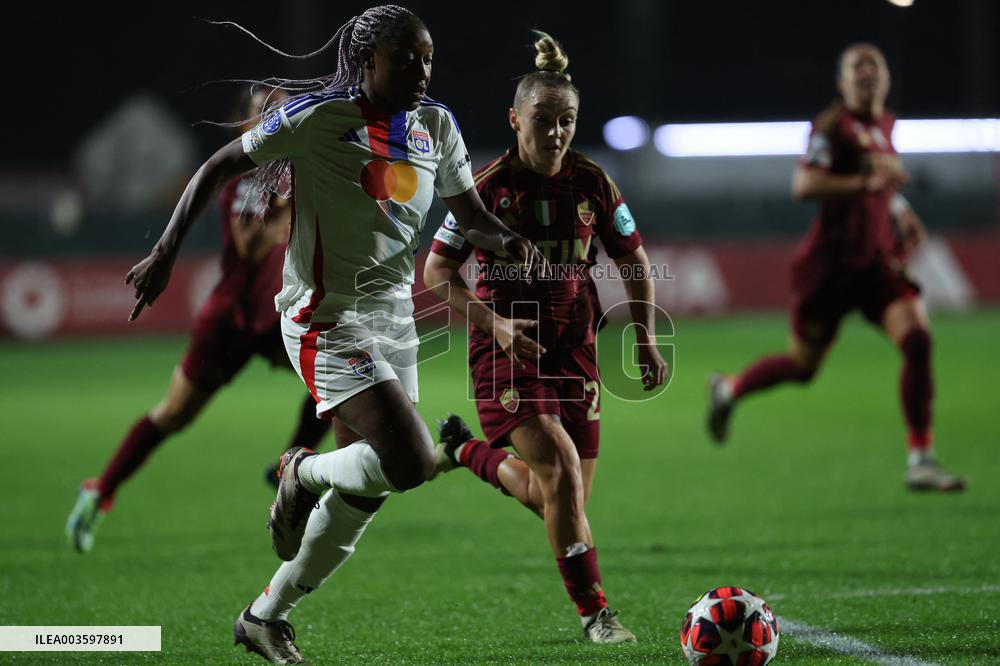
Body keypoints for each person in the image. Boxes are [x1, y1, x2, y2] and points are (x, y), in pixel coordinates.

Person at [124, 6, 543, 663]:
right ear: (367, 60)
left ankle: (265, 616)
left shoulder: (437, 126)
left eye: (428, 58)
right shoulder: (319, 120)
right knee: (410, 460)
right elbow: (218, 166)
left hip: (393, 321)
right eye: (407, 58)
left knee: (369, 488)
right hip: (324, 316)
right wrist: (166, 252)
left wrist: (511, 242)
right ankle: (300, 468)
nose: (422, 71)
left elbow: (475, 219)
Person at [423, 31, 668, 645]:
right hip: (507, 356)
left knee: (556, 494)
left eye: (567, 121)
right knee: (558, 472)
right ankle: (596, 615)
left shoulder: (593, 183)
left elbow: (634, 261)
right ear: (514, 119)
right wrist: (494, 323)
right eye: (542, 120)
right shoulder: (485, 191)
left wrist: (645, 337)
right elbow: (436, 272)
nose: (556, 132)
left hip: (575, 351)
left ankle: (462, 452)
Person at [65, 88, 333, 554]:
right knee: (172, 415)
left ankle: (289, 465)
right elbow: (251, 246)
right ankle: (99, 490)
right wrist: (290, 213)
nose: (277, 119)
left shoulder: (301, 171)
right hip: (230, 318)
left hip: (278, 315)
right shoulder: (245, 178)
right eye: (264, 113)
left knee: (332, 382)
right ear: (247, 126)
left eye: (284, 111)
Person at [706, 43, 965, 492]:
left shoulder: (884, 125)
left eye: (874, 66)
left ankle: (920, 459)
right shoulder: (831, 127)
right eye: (856, 67)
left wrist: (900, 208)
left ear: (885, 78)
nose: (867, 73)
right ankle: (728, 390)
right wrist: (867, 182)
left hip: (877, 266)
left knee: (919, 340)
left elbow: (880, 185)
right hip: (829, 270)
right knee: (803, 367)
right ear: (841, 82)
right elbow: (805, 184)